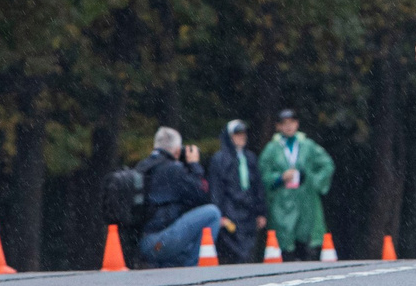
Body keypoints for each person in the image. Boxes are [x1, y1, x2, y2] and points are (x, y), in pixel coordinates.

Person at [135, 128, 220, 267]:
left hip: (143, 243)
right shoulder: (174, 169)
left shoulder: (142, 166)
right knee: (212, 213)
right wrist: (194, 165)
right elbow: (202, 193)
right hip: (160, 242)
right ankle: (192, 267)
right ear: (176, 150)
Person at [260, 108, 335, 262]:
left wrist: (313, 181)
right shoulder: (272, 149)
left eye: (292, 122)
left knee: (309, 243)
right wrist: (279, 178)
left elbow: (327, 165)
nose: (288, 126)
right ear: (278, 126)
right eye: (284, 123)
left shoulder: (307, 145)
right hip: (282, 202)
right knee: (284, 243)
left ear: (297, 124)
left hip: (306, 199)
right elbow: (262, 174)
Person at [208, 118, 268, 263]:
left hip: (249, 213)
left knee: (248, 255)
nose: (242, 137)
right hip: (230, 213)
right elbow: (216, 189)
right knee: (234, 255)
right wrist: (220, 214)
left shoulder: (250, 158)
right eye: (237, 134)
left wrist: (261, 212)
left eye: (243, 133)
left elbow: (257, 187)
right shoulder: (220, 159)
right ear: (229, 137)